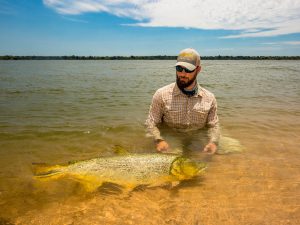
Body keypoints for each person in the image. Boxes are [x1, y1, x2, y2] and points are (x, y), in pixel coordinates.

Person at [145, 48, 220, 154]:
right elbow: (151, 123)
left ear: (198, 70)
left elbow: (214, 125)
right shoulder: (161, 94)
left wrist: (213, 142)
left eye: (188, 70)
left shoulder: (209, 98)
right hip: (171, 140)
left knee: (235, 148)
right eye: (179, 68)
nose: (182, 74)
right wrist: (159, 140)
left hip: (198, 139)